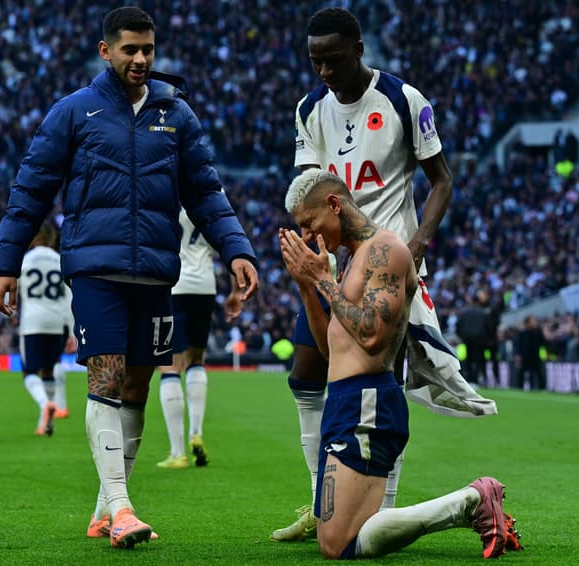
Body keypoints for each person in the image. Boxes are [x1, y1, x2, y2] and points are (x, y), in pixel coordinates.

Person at [0, 7, 259, 550]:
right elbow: (31, 189)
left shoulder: (176, 114)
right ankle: (122, 507)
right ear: (105, 50)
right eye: (129, 49)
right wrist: (5, 262)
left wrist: (237, 249)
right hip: (96, 269)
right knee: (105, 378)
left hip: (156, 272)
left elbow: (205, 192)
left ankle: (103, 510)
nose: (140, 59)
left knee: (137, 386)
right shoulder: (74, 112)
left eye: (148, 50)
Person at [273, 7, 467, 541]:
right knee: (306, 374)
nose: (325, 72)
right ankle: (323, 501)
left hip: (388, 260)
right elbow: (310, 192)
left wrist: (418, 243)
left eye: (334, 60)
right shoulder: (310, 109)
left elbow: (442, 180)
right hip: (335, 261)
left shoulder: (404, 100)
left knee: (382, 380)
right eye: (316, 62)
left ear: (359, 50)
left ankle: (384, 509)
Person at [278, 169, 520, 560]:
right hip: (346, 401)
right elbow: (330, 350)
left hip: (367, 402)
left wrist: (322, 281)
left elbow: (372, 336)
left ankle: (470, 501)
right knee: (332, 537)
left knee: (337, 544)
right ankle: (471, 502)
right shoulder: (352, 259)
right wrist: (308, 287)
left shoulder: (386, 251)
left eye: (309, 223)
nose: (306, 235)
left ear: (334, 205)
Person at [155, 208, 243, 469]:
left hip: (172, 285)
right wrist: (235, 291)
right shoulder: (211, 195)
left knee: (169, 364)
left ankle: (177, 452)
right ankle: (197, 433)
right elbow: (228, 241)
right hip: (204, 286)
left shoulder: (165, 190)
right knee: (196, 359)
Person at [17, 221, 76, 436]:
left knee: (30, 372)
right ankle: (48, 422)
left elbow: (12, 287)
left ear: (35, 237)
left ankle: (45, 404)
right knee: (49, 369)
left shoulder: (25, 260)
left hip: (33, 321)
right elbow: (70, 296)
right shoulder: (60, 261)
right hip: (58, 322)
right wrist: (72, 331)